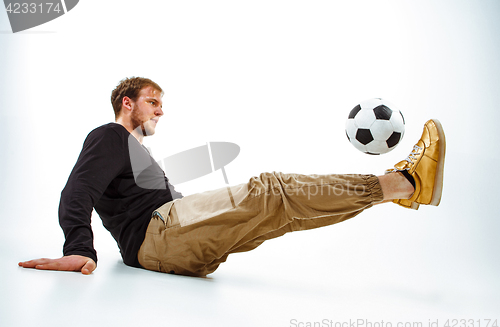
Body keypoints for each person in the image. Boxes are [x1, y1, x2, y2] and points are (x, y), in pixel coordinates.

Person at [18, 77, 446, 277]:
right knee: (273, 189)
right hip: (161, 235)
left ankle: (396, 192)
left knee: (286, 212)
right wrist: (79, 247)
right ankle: (403, 184)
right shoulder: (110, 136)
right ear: (127, 104)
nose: (160, 110)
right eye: (153, 102)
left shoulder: (136, 153)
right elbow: (77, 190)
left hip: (170, 241)